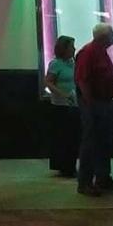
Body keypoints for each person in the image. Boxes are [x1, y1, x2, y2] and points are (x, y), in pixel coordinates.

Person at [74, 22, 113, 196]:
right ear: (104, 37)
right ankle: (85, 182)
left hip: (104, 102)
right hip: (94, 104)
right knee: (91, 142)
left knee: (104, 141)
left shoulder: (100, 52)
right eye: (112, 35)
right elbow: (82, 80)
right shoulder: (88, 52)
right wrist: (90, 104)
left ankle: (103, 177)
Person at [44, 35, 79, 177]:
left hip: (74, 104)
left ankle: (70, 164)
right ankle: (63, 165)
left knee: (73, 136)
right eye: (71, 46)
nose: (74, 49)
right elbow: (48, 82)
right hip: (60, 105)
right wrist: (62, 94)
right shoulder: (55, 64)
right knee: (62, 136)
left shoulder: (74, 63)